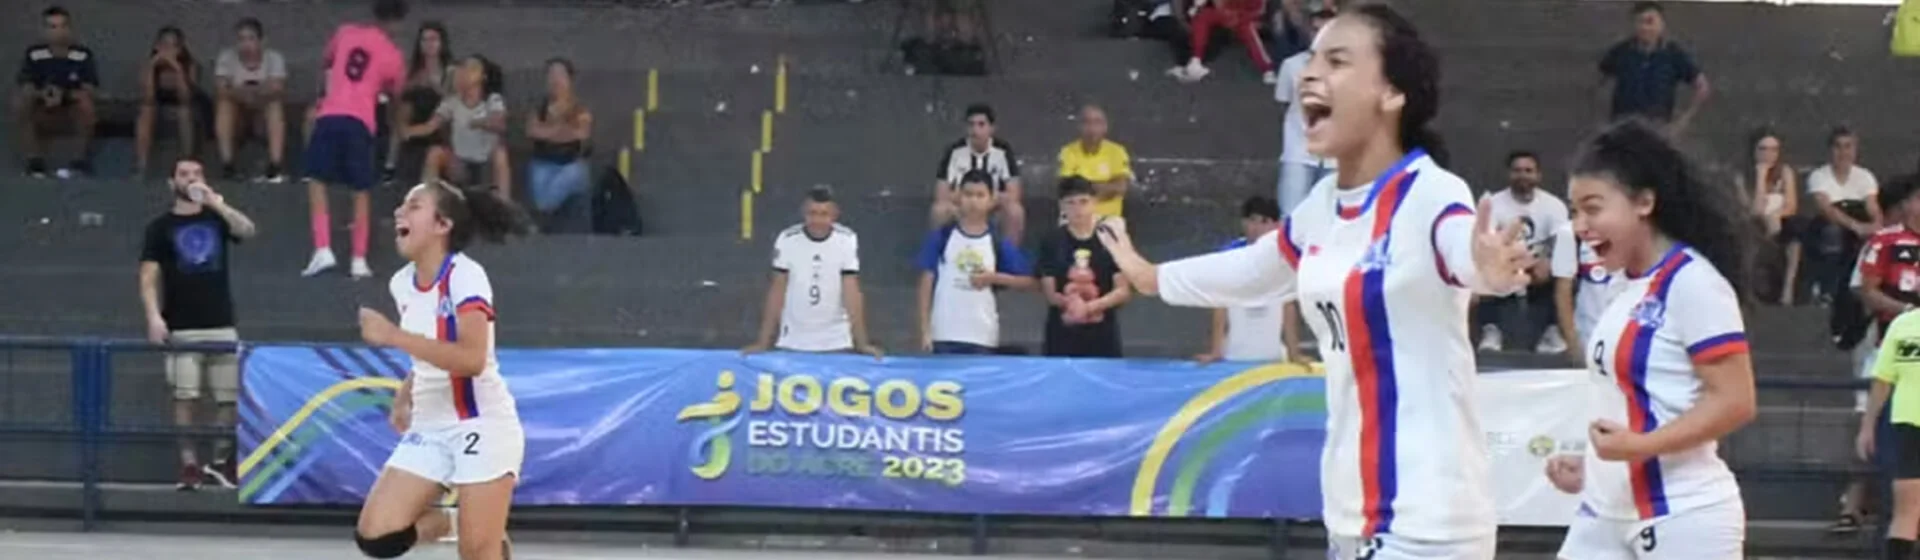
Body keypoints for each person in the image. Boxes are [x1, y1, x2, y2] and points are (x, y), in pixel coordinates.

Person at [1095, 5, 1533, 558]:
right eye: (1311, 58)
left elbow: (1461, 252)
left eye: (1338, 60)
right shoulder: (1321, 207)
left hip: (1428, 523)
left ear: (1392, 94)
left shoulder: (1432, 193)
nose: (1308, 73)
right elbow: (1255, 269)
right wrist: (1153, 276)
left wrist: (1486, 270)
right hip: (1348, 516)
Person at [1542, 120, 1759, 560]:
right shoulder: (1625, 285)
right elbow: (1642, 401)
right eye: (1573, 210)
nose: (1580, 225)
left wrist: (1639, 448)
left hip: (1682, 515)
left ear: (1644, 201)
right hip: (1604, 513)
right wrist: (1594, 467)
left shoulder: (1693, 282)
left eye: (1593, 208)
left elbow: (1737, 400)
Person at [353, 180, 527, 560]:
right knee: (377, 536)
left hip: (481, 422)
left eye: (414, 205)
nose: (400, 211)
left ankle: (479, 532)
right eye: (401, 205)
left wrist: (393, 336)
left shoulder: (465, 276)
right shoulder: (402, 283)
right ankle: (455, 522)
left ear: (442, 225)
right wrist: (405, 392)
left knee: (477, 554)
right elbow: (431, 346)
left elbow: (471, 359)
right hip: (431, 424)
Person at [138, 157, 257, 491]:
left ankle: (220, 462)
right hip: (182, 324)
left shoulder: (216, 218)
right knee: (185, 396)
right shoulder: (160, 227)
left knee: (228, 398)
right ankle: (189, 464)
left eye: (196, 173)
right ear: (171, 182)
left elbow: (247, 230)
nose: (191, 179)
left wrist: (218, 203)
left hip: (220, 322)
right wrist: (153, 316)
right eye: (184, 174)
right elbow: (148, 276)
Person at [304, 0, 410, 280]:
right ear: (399, 22)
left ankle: (323, 247)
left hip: (330, 114)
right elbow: (395, 94)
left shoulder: (346, 33)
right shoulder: (394, 56)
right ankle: (358, 259)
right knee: (361, 189)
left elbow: (327, 63)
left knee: (317, 180)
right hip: (362, 121)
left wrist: (324, 94)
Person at [742, 187, 882, 358]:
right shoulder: (787, 239)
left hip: (836, 341)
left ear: (834, 214)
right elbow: (777, 290)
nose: (817, 220)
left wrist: (862, 343)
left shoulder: (847, 240)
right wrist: (763, 341)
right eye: (812, 213)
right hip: (793, 341)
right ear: (803, 213)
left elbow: (851, 291)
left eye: (824, 214)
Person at [916, 170, 1035, 354]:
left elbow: (1030, 282)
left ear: (991, 199)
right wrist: (925, 331)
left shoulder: (997, 242)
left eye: (980, 195)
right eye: (968, 194)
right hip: (943, 333)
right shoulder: (942, 237)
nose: (973, 201)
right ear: (958, 197)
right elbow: (926, 283)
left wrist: (994, 278)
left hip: (982, 335)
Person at [1475, 151, 1570, 354]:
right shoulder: (1494, 203)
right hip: (1506, 260)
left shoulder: (1553, 205)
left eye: (1528, 171)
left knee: (1564, 270)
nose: (1523, 175)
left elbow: (1559, 240)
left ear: (1538, 175)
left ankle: (1551, 330)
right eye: (1517, 170)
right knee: (1485, 269)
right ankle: (1491, 329)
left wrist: (1545, 260)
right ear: (1509, 174)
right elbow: (1488, 241)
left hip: (1537, 263)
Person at [1195, 195, 1302, 364]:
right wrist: (1215, 351)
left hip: (1274, 356)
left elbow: (1288, 306)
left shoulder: (1285, 257)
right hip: (1234, 355)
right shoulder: (1229, 255)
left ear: (1276, 225)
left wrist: (1294, 354)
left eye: (1264, 221)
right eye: (1253, 220)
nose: (1257, 227)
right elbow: (1220, 305)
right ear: (1243, 223)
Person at [1040, 177, 1132, 358]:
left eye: (1083, 202)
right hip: (1062, 333)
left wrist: (1090, 308)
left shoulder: (1110, 238)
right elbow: (1049, 292)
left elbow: (1123, 290)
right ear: (1062, 207)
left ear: (1094, 203)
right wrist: (1072, 305)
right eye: (1071, 203)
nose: (1078, 209)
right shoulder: (1052, 240)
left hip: (1102, 333)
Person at [1860, 306, 1920, 560]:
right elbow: (1882, 380)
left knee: (1906, 511)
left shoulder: (1903, 324)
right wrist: (1867, 426)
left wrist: (1867, 426)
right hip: (1908, 422)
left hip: (1907, 422)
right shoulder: (1902, 324)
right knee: (1907, 509)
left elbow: (1882, 380)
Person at [404, 55, 511, 198]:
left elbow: (499, 123)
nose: (465, 72)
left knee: (500, 154)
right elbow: (431, 126)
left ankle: (503, 205)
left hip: (485, 164)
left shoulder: (492, 100)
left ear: (483, 77)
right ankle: (427, 200)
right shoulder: (452, 102)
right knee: (435, 153)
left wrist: (479, 123)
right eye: (463, 67)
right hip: (460, 164)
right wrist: (408, 131)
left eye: (472, 68)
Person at [14, 6, 98, 179]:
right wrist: (44, 94)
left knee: (86, 102)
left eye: (62, 26)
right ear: (44, 31)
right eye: (52, 27)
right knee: (20, 100)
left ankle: (79, 162)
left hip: (71, 106)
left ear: (69, 29)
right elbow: (27, 85)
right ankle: (35, 163)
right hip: (42, 105)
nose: (58, 32)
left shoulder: (82, 55)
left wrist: (64, 95)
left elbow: (89, 88)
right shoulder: (34, 54)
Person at [931, 104, 1027, 243]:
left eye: (981, 124)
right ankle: (937, 256)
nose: (975, 130)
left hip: (993, 208)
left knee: (1015, 211)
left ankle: (1010, 259)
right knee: (939, 210)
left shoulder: (1003, 150)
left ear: (992, 128)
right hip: (960, 206)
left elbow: (1014, 194)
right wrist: (967, 201)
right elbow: (941, 194)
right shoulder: (954, 150)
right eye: (971, 125)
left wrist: (985, 202)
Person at [1273, 8, 1337, 214]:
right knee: (1290, 218)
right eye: (1316, 30)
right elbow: (1284, 104)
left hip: (1336, 155)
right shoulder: (1291, 66)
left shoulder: (1353, 71)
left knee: (1330, 220)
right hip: (1298, 152)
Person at [213, 17, 289, 183]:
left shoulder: (274, 58)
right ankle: (228, 164)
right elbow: (220, 89)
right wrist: (249, 93)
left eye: (251, 39)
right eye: (241, 39)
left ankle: (275, 165)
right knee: (224, 105)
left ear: (262, 41)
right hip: (239, 117)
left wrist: (244, 92)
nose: (246, 44)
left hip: (262, 116)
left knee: (275, 106)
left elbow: (277, 88)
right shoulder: (226, 57)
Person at [526, 58, 593, 233]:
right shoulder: (539, 107)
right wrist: (562, 131)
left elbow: (581, 133)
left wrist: (549, 132)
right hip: (543, 162)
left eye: (560, 74)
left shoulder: (579, 108)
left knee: (575, 174)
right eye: (551, 74)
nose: (555, 80)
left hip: (570, 164)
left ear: (569, 80)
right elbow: (533, 131)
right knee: (541, 197)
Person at [387, 21, 454, 184]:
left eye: (433, 39)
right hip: (417, 112)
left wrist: (434, 85)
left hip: (440, 117)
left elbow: (453, 99)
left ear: (441, 43)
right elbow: (399, 93)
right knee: (406, 104)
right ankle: (391, 162)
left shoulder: (451, 70)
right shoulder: (413, 70)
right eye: (424, 40)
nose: (429, 44)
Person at [1740, 127, 1801, 305]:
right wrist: (1761, 176)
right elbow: (1754, 210)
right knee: (1752, 229)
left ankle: (1788, 288)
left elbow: (1791, 205)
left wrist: (1776, 215)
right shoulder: (1742, 177)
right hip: (1755, 224)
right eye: (1763, 149)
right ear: (1753, 151)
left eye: (1774, 149)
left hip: (1780, 223)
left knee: (1796, 233)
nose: (1769, 154)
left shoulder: (1785, 172)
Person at [135, 26, 205, 178]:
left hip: (186, 103)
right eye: (164, 45)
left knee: (184, 111)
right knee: (146, 110)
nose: (167, 50)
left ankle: (187, 162)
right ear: (156, 46)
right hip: (157, 102)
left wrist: (177, 68)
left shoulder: (190, 65)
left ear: (180, 49)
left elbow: (186, 96)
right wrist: (152, 67)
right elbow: (148, 96)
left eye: (172, 46)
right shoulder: (149, 64)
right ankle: (142, 165)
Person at [1550, 220, 1622, 367]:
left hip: (1629, 334)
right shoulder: (1570, 233)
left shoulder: (1634, 228)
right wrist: (1573, 343)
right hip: (1589, 332)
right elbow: (1563, 291)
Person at [1055, 104, 1132, 220]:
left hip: (1108, 221)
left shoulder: (1117, 152)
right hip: (1074, 218)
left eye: (1097, 122)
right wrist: (1104, 187)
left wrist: (1084, 188)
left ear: (1105, 126)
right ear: (1079, 126)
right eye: (1087, 122)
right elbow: (1066, 190)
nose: (1092, 128)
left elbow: (1120, 187)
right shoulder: (1067, 152)